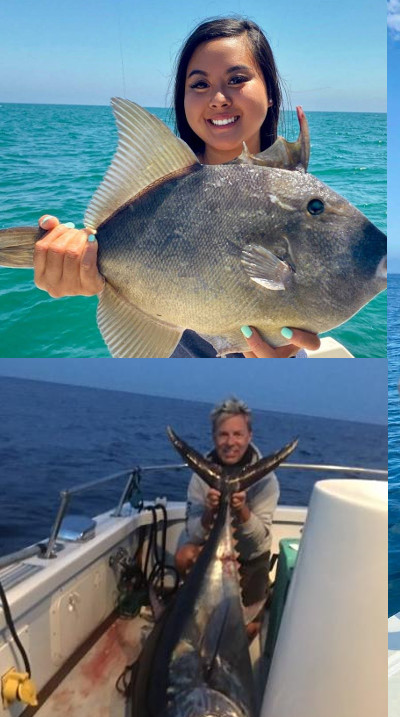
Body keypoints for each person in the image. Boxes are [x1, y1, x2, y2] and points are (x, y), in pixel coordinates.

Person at [31, 17, 319, 358]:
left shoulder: (302, 197)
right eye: (199, 85)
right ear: (182, 99)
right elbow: (114, 253)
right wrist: (79, 268)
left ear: (270, 93)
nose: (218, 98)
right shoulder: (157, 183)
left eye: (237, 79)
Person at [175, 396, 279, 638]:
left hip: (252, 558)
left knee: (249, 627)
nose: (230, 442)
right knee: (183, 557)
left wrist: (243, 511)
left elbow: (257, 541)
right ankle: (192, 604)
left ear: (249, 436)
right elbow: (193, 533)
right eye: (223, 434)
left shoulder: (267, 481)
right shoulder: (201, 477)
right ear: (214, 437)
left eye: (237, 434)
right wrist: (211, 511)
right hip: (211, 554)